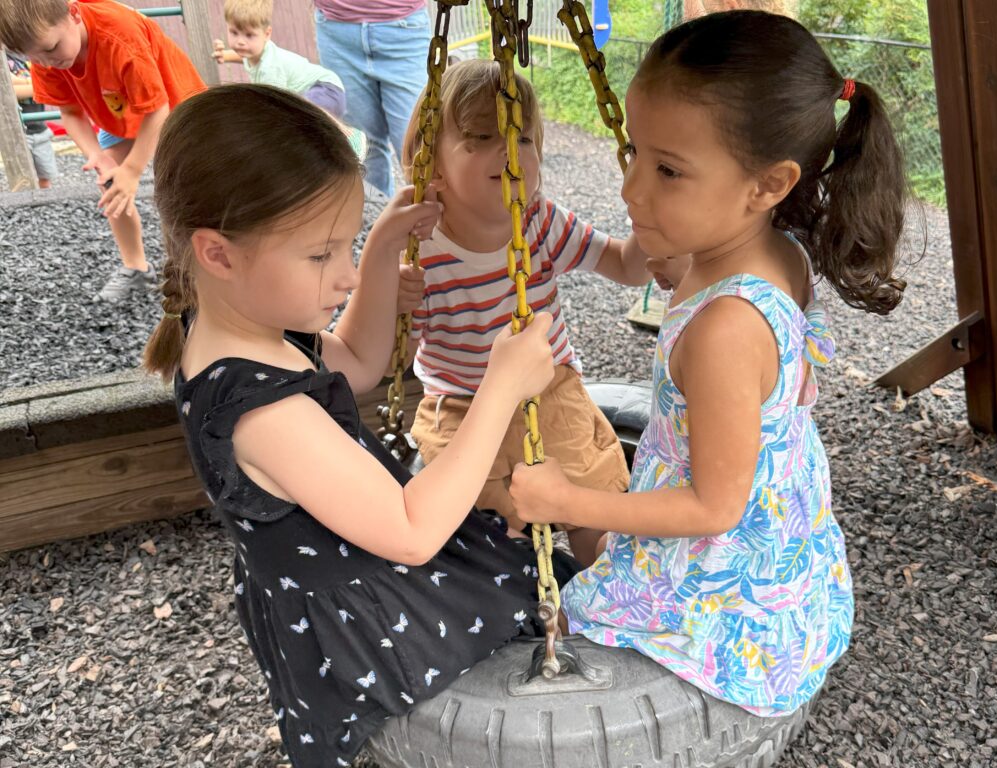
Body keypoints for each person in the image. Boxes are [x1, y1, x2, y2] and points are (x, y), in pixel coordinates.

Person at [142, 83, 577, 767]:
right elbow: (411, 532)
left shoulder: (243, 322)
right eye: (323, 256)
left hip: (354, 548)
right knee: (533, 577)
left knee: (508, 542)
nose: (342, 278)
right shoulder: (263, 412)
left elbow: (358, 363)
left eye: (344, 248)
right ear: (217, 253)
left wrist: (378, 253)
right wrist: (501, 386)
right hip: (362, 617)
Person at [511, 10, 907, 716]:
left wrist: (563, 499)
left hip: (727, 577)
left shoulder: (728, 328)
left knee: (568, 605)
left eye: (667, 169)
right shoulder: (767, 251)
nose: (632, 188)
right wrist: (681, 267)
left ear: (767, 184)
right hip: (777, 534)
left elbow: (714, 506)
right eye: (636, 152)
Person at [396, 60, 651, 566]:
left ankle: (605, 584)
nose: (509, 149)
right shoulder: (424, 252)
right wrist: (394, 301)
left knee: (591, 498)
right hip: (463, 405)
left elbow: (627, 266)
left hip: (548, 390)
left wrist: (650, 219)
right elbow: (395, 358)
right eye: (481, 137)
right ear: (434, 166)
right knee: (481, 524)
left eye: (524, 138)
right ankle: (509, 596)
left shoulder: (541, 222)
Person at [0, 0, 205, 303]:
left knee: (187, 189)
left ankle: (201, 266)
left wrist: (133, 171)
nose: (44, 63)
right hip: (116, 108)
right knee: (112, 185)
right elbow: (69, 112)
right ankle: (136, 267)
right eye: (32, 57)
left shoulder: (118, 35)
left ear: (73, 13)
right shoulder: (46, 51)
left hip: (176, 106)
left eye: (50, 49)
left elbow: (157, 110)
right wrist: (96, 155)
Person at [313, 0, 431, 197]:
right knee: (363, 148)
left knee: (416, 146)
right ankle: (378, 220)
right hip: (335, 29)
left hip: (403, 27)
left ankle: (433, 221)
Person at [212, 0, 347, 121]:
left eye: (249, 35)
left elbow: (276, 103)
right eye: (234, 32)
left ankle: (349, 139)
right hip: (323, 88)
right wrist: (226, 56)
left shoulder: (270, 70)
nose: (240, 42)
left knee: (296, 118)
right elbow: (245, 57)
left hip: (326, 90)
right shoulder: (256, 51)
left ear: (267, 34)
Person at [5, 53, 60, 189]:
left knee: (46, 174)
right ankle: (25, 204)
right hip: (18, 132)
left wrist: (23, 83)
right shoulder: (4, 59)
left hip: (40, 128)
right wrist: (34, 83)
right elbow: (9, 89)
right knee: (23, 177)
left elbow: (48, 82)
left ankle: (45, 203)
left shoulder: (31, 55)